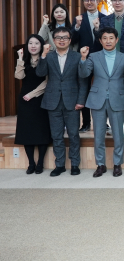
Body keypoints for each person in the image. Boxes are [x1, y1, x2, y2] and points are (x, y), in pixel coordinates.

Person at [79, 27, 124, 178]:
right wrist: (83, 58)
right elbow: (84, 74)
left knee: (118, 134)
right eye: (105, 38)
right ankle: (100, 164)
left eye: (111, 38)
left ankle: (117, 164)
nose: (108, 41)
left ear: (116, 40)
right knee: (98, 135)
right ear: (100, 41)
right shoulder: (93, 56)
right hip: (97, 100)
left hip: (118, 99)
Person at [36, 28, 89, 176]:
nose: (61, 40)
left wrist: (81, 101)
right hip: (52, 101)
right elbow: (40, 73)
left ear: (70, 40)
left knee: (73, 134)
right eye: (58, 37)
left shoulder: (77, 56)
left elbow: (83, 81)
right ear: (53, 40)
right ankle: (59, 165)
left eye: (65, 37)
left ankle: (75, 164)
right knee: (56, 135)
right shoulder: (49, 56)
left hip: (72, 101)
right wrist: (43, 55)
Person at [95, 0, 124, 136]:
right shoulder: (105, 20)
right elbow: (100, 39)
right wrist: (96, 29)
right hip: (108, 60)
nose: (117, 2)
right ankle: (110, 125)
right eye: (114, 0)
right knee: (109, 92)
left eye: (120, 0)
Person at [14, 35, 51, 174]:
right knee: (26, 131)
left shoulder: (46, 59)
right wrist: (19, 58)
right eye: (30, 43)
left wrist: (33, 94)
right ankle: (31, 163)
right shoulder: (24, 60)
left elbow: (47, 81)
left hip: (40, 98)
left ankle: (40, 163)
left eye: (36, 43)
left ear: (41, 46)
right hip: (25, 99)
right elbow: (19, 76)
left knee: (41, 131)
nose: (33, 46)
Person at [72, 0, 107, 132]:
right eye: (86, 0)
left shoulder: (105, 18)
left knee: (102, 89)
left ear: (97, 2)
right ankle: (86, 123)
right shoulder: (78, 19)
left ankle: (104, 122)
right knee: (84, 89)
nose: (89, 2)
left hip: (101, 58)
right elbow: (73, 40)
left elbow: (107, 39)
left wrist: (98, 28)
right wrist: (77, 26)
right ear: (83, 3)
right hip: (84, 58)